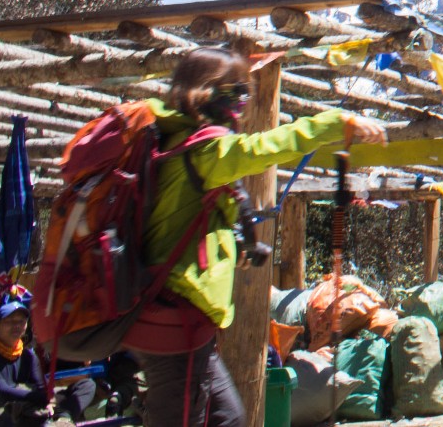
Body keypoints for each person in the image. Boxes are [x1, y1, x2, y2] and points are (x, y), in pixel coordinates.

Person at [128, 47, 386, 427]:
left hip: (183, 324)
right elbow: (262, 148)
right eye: (238, 94)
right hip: (174, 323)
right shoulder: (203, 150)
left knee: (229, 419)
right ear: (210, 95)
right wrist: (335, 123)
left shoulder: (174, 144)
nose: (244, 106)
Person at [0, 292, 47, 427]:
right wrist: (42, 398)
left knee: (86, 386)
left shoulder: (28, 355)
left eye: (21, 321)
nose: (17, 326)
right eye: (10, 321)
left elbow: (41, 387)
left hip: (23, 407)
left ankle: (63, 417)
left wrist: (47, 401)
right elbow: (2, 391)